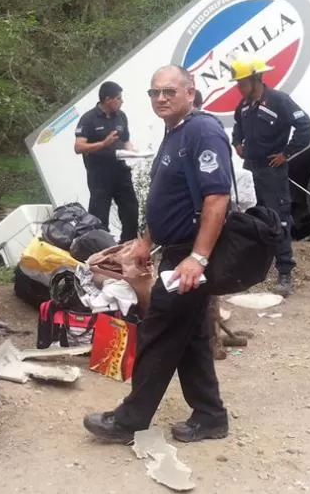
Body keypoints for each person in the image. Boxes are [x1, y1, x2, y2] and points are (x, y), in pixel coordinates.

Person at [83, 65, 231, 444]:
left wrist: (197, 259)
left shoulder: (203, 131)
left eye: (169, 91)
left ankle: (129, 420)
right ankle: (211, 415)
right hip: (174, 252)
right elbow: (171, 199)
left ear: (190, 91)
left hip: (189, 257)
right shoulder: (175, 131)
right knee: (192, 337)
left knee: (158, 332)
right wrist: (147, 240)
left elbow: (217, 198)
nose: (161, 98)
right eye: (154, 93)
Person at [230, 58, 310, 297]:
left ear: (256, 79)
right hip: (250, 170)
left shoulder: (279, 100)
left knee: (279, 219)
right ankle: (253, 271)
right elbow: (238, 127)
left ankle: (285, 272)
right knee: (252, 219)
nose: (239, 87)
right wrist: (237, 143)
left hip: (271, 170)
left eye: (242, 82)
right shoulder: (244, 105)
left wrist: (286, 153)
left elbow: (305, 126)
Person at [74, 81, 140, 242]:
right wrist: (103, 144)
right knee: (99, 215)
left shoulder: (121, 116)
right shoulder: (88, 119)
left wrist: (131, 151)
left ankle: (128, 244)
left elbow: (126, 140)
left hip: (121, 171)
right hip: (100, 175)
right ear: (108, 99)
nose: (121, 101)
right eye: (118, 98)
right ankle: (102, 248)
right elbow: (78, 147)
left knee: (131, 209)